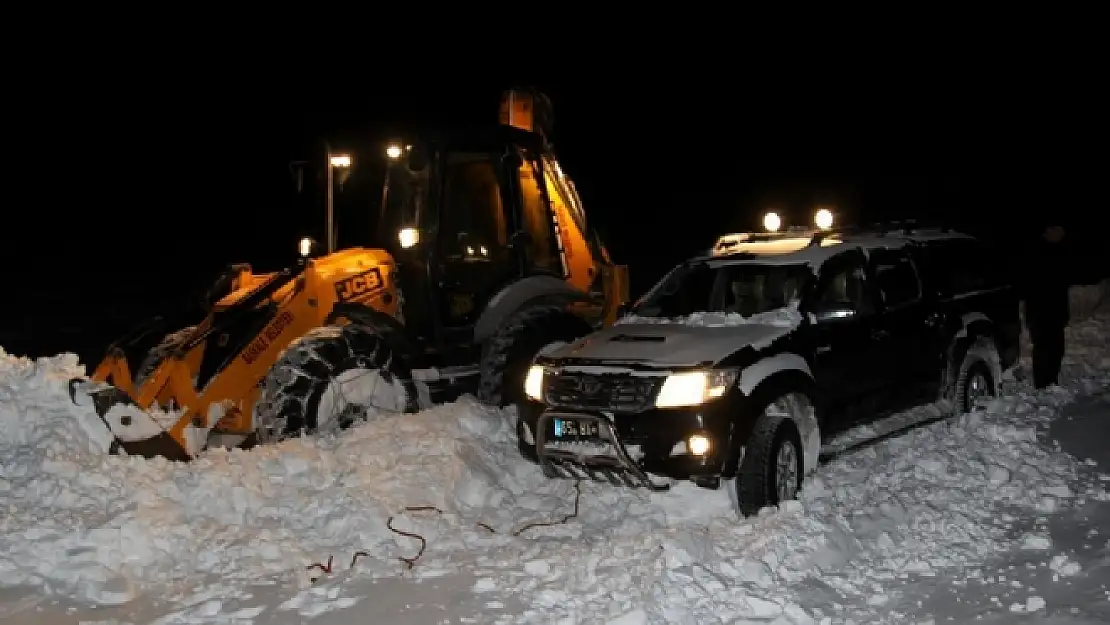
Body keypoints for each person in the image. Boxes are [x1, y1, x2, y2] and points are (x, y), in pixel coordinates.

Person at [1022, 224, 1071, 389]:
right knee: (1044, 349)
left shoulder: (1058, 251)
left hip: (1055, 311)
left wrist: (1064, 313)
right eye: (1059, 230)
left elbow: (1061, 286)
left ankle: (1051, 380)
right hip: (1041, 312)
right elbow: (1033, 286)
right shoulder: (1037, 252)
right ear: (1050, 230)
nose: (1062, 234)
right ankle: (1043, 384)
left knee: (1056, 349)